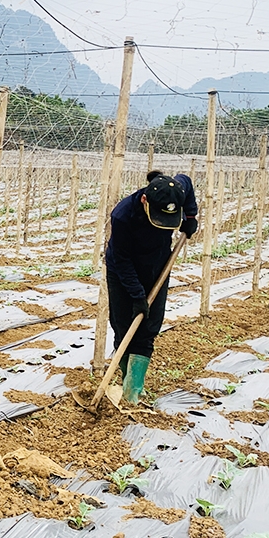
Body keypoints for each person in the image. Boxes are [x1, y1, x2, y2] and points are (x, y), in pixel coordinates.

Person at [105, 169, 199, 404]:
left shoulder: (177, 188)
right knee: (122, 324)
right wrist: (137, 295)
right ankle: (126, 377)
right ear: (145, 200)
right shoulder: (123, 215)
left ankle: (133, 391)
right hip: (123, 270)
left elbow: (185, 181)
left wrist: (189, 217)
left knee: (149, 327)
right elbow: (122, 260)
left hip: (158, 267)